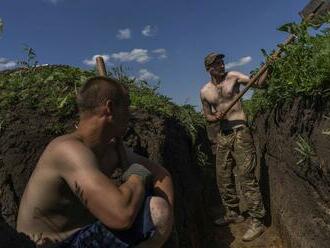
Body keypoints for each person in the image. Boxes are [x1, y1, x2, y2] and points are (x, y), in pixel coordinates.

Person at [16, 76, 174, 247]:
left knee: (157, 209)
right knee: (156, 210)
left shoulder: (108, 150)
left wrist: (167, 227)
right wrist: (137, 175)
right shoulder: (67, 150)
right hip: (50, 245)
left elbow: (161, 174)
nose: (130, 115)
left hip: (81, 235)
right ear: (110, 108)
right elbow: (121, 216)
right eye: (127, 107)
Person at [200, 52, 267, 242]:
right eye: (216, 64)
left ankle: (257, 220)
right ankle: (233, 213)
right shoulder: (205, 91)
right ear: (208, 69)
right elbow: (207, 116)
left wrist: (267, 66)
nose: (221, 66)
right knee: (223, 176)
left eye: (221, 62)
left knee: (246, 176)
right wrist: (215, 117)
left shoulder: (234, 77)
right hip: (223, 135)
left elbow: (259, 84)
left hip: (240, 132)